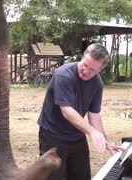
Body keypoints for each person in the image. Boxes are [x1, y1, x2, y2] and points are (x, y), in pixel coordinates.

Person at [37, 43, 124, 180]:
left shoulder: (97, 83)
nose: (86, 71)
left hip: (76, 137)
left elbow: (94, 115)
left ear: (100, 70)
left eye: (92, 70)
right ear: (82, 57)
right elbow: (66, 110)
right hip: (52, 136)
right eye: (85, 65)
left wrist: (105, 141)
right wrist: (91, 132)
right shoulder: (64, 75)